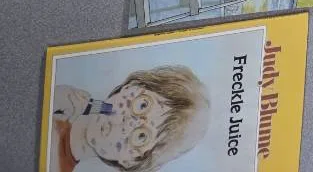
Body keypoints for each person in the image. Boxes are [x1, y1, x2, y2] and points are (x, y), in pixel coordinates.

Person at [49, 65, 209, 172]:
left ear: (130, 162)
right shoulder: (60, 101)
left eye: (141, 136)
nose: (126, 122)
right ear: (132, 85)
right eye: (143, 105)